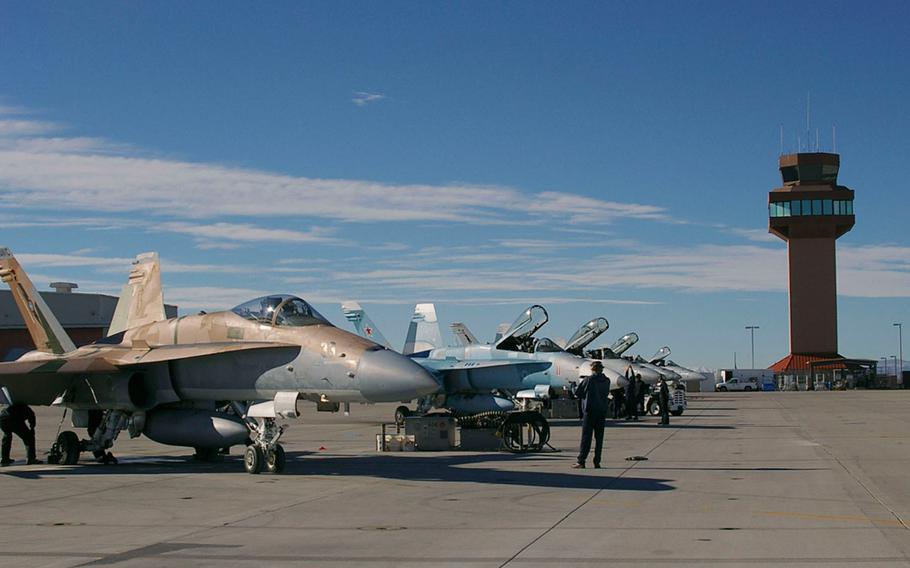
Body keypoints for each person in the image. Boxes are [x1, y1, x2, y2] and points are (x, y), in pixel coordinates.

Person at [573, 361, 610, 469]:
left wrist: (573, 386)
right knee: (599, 438)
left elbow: (578, 393)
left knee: (586, 437)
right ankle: (597, 461)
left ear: (592, 369)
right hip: (602, 411)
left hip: (590, 412)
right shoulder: (607, 381)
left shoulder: (588, 380)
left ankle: (581, 461)